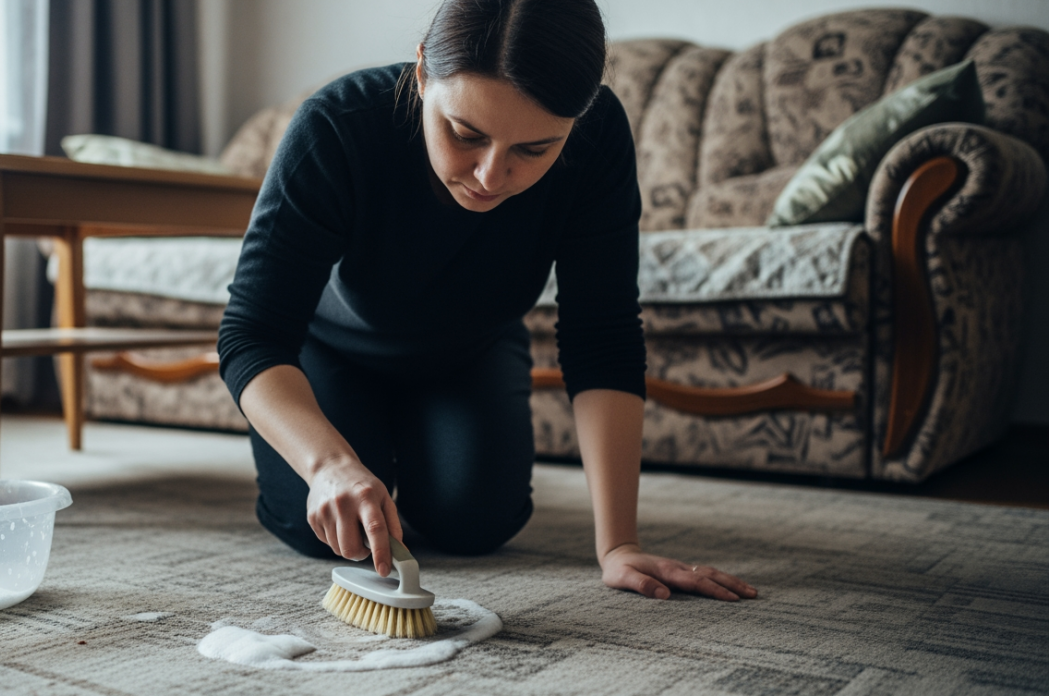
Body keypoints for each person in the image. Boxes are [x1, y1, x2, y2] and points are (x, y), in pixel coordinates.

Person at [217, 0, 755, 602]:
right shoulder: (336, 125)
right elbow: (251, 333)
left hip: (471, 348)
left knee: (478, 525)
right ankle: (358, 451)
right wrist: (328, 466)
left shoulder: (599, 136)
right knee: (324, 530)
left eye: (535, 149)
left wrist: (618, 545)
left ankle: (416, 454)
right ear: (422, 74)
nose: (491, 176)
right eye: (465, 134)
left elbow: (602, 336)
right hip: (329, 353)